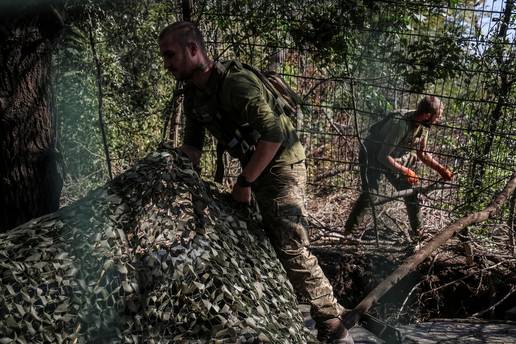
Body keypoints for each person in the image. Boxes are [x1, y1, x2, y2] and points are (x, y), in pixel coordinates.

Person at [159, 21, 353, 343]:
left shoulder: (236, 84)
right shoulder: (193, 97)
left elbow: (274, 135)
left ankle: (332, 323)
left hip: (281, 162)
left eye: (171, 55)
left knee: (290, 244)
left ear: (193, 49)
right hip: (254, 165)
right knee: (261, 240)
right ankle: (304, 305)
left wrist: (245, 181)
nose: (167, 65)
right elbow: (193, 149)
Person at [344, 96, 453, 239]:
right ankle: (348, 233)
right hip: (372, 154)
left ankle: (418, 232)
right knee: (370, 193)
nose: (438, 119)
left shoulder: (423, 126)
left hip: (391, 156)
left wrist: (441, 170)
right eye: (437, 116)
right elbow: (382, 157)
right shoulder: (400, 124)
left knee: (410, 190)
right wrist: (406, 170)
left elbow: (422, 153)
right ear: (427, 115)